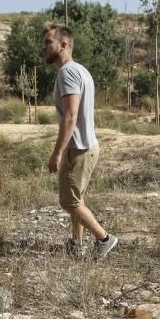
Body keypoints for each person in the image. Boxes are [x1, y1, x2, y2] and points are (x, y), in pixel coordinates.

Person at [41, 22, 118, 260]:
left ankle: (105, 238)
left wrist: (57, 153)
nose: (43, 48)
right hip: (86, 147)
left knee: (68, 202)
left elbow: (71, 116)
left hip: (80, 149)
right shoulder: (80, 70)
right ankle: (76, 243)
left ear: (63, 45)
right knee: (77, 199)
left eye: (48, 43)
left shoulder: (67, 73)